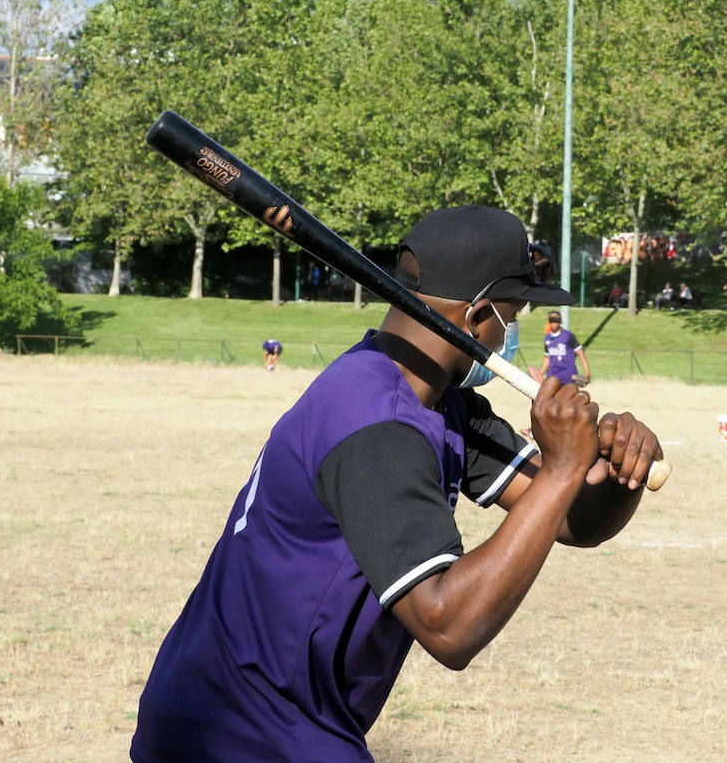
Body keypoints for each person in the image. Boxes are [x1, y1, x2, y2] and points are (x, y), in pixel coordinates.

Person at [130, 205, 662, 763]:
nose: (515, 333)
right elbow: (449, 626)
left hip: (279, 719)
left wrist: (618, 469)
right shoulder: (378, 424)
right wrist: (560, 471)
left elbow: (571, 519)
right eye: (515, 314)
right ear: (477, 316)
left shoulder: (440, 401)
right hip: (239, 732)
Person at [539, 310, 591, 386]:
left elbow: (581, 354)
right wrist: (540, 374)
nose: (554, 323)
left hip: (568, 376)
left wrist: (587, 374)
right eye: (552, 321)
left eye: (556, 321)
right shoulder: (547, 338)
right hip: (552, 377)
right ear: (549, 322)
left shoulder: (568, 335)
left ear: (560, 322)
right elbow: (547, 359)